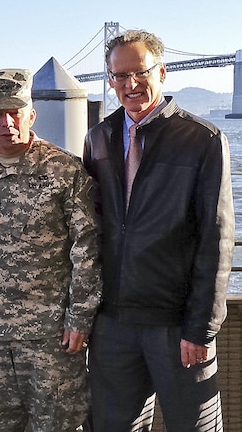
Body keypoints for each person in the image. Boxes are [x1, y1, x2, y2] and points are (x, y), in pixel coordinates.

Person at [83, 29, 234, 431]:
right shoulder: (98, 137)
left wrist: (201, 327)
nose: (130, 84)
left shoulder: (202, 139)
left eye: (140, 72)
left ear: (162, 72)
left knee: (194, 426)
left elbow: (216, 241)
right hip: (113, 322)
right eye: (119, 75)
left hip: (177, 323)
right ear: (110, 80)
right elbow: (88, 229)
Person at [0, 68, 101, 431]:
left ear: (31, 114)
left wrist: (79, 320)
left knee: (57, 425)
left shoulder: (64, 171)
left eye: (15, 111)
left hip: (50, 338)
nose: (7, 121)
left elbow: (88, 249)